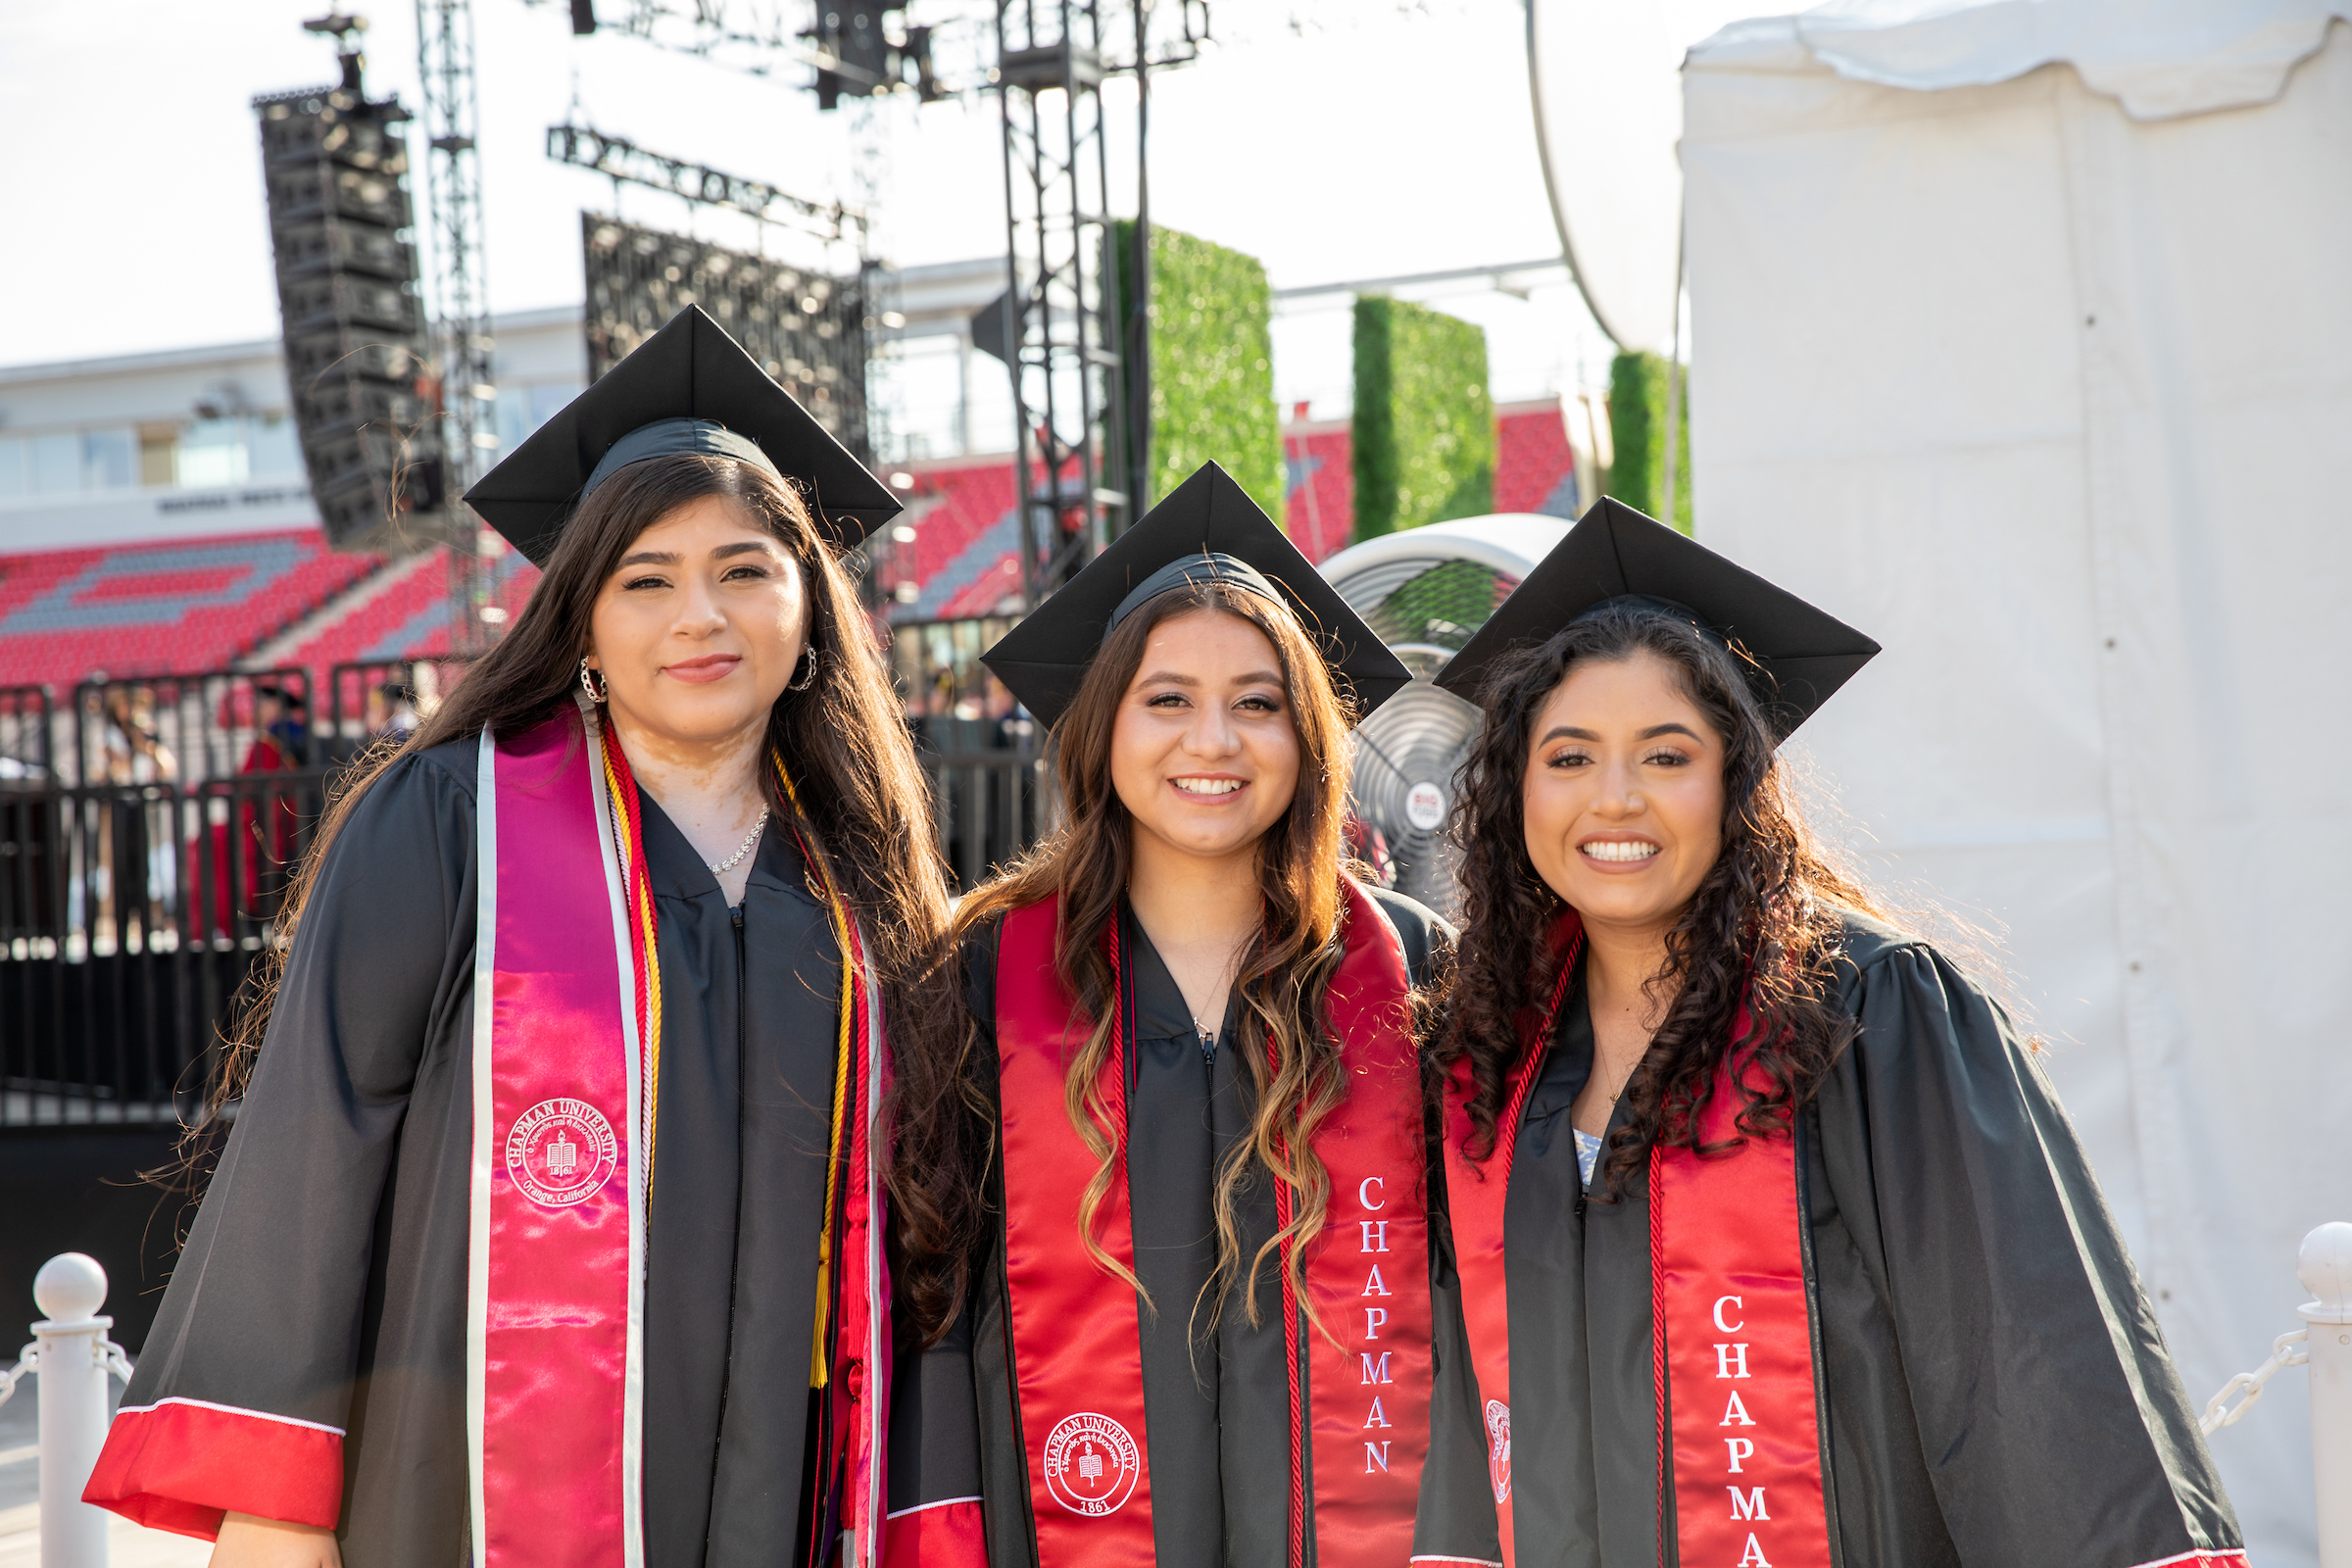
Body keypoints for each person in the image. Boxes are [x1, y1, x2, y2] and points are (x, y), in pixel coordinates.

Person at [85, 305, 971, 1567]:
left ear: (810, 605)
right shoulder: (452, 820)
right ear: (582, 619)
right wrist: (276, 1508)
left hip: (793, 1475)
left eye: (744, 570)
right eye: (646, 580)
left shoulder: (862, 881)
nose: (699, 616)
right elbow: (318, 1142)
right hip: (466, 1476)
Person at [1426, 500, 2244, 1567]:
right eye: (1569, 757)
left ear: (1737, 780)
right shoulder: (1494, 1055)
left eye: (1666, 756)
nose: (1613, 800)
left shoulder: (1869, 1012)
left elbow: (2022, 1367)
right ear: (1514, 788)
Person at [890, 463, 1492, 1566]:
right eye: (1166, 699)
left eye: (1257, 703)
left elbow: (1472, 1306)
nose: (1212, 740)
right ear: (1101, 726)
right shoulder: (980, 978)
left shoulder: (1412, 971)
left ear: (1309, 736)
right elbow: (932, 1301)